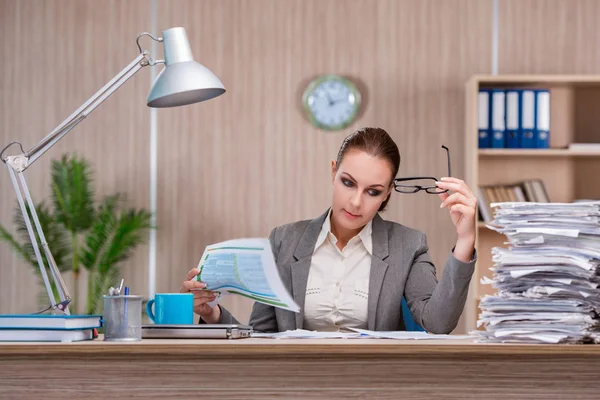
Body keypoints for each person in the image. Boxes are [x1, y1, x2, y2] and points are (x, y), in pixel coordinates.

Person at [180, 127, 477, 334]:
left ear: (387, 193)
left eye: (373, 191)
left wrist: (465, 240)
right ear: (333, 171)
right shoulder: (284, 241)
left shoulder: (408, 245)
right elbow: (262, 335)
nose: (356, 202)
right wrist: (212, 314)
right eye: (348, 182)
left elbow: (438, 323)